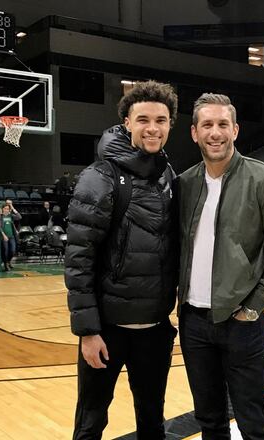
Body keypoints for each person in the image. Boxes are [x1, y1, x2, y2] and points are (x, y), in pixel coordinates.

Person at [178, 93, 264, 438]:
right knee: (209, 420)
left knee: (253, 421)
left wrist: (253, 307)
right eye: (207, 125)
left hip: (242, 323)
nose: (215, 133)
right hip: (194, 323)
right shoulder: (185, 184)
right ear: (194, 133)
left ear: (235, 130)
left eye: (222, 125)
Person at [64, 80, 179, 438]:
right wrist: (88, 331)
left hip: (156, 330)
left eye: (160, 120)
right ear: (126, 123)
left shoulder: (169, 175)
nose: (152, 128)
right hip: (108, 331)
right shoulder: (100, 177)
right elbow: (78, 259)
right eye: (143, 119)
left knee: (152, 420)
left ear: (170, 125)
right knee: (91, 421)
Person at [0, 204, 21, 271]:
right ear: (3, 209)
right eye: (5, 208)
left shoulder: (11, 216)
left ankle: (9, 261)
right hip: (4, 237)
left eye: (8, 209)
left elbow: (19, 217)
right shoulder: (0, 216)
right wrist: (4, 235)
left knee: (12, 250)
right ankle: (6, 264)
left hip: (11, 236)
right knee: (5, 251)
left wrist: (13, 208)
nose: (6, 210)